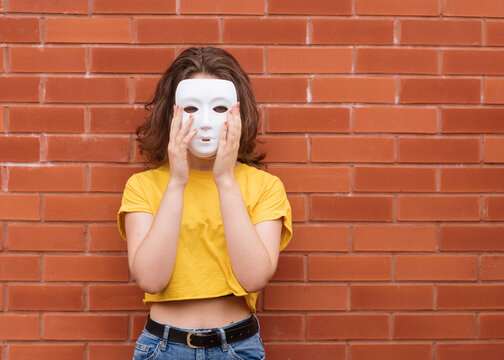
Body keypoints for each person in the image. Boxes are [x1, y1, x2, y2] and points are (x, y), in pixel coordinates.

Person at [117, 47, 292, 360]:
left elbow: (253, 278)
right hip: (163, 349)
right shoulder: (143, 187)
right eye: (192, 109)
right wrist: (176, 183)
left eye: (220, 108)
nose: (207, 123)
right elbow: (151, 279)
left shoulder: (265, 187)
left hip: (237, 347)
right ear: (171, 113)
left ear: (240, 113)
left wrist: (225, 180)